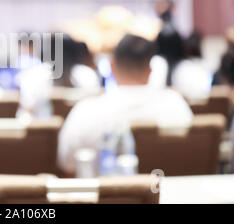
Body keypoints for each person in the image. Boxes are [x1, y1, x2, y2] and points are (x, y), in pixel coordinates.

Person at [57, 34, 193, 175]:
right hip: (169, 194)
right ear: (150, 71)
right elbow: (192, 155)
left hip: (107, 195)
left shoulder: (85, 111)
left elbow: (66, 163)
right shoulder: (176, 105)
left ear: (111, 67)